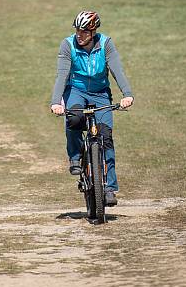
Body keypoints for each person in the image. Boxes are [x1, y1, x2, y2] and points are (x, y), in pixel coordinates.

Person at [50, 11, 134, 206]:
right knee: (74, 119)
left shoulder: (106, 44)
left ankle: (110, 188)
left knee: (105, 137)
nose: (79, 35)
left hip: (100, 93)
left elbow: (116, 70)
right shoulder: (68, 45)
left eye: (84, 32)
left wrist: (127, 94)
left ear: (93, 31)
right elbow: (61, 76)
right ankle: (75, 158)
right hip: (76, 91)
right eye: (78, 30)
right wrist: (56, 102)